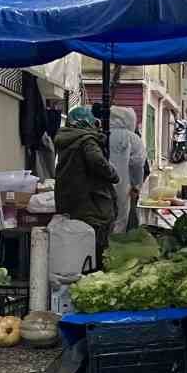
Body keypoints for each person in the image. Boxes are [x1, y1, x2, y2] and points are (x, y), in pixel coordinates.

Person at [54, 106, 118, 267]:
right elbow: (97, 162)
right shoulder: (86, 140)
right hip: (91, 200)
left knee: (78, 243)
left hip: (71, 198)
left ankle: (80, 269)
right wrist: (112, 174)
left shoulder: (66, 139)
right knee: (95, 243)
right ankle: (92, 272)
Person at [107, 106, 147, 233]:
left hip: (99, 184)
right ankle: (114, 249)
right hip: (122, 185)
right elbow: (137, 164)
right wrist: (136, 185)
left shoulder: (100, 133)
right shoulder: (132, 138)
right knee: (120, 220)